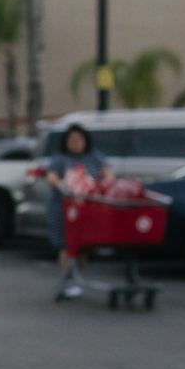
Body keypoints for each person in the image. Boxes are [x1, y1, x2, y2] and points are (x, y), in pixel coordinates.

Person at [45, 124, 114, 297]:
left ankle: (76, 278)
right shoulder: (59, 158)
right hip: (64, 209)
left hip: (87, 209)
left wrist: (105, 184)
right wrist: (60, 184)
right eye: (71, 140)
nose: (75, 143)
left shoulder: (94, 157)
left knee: (82, 247)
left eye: (79, 139)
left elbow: (107, 173)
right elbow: (51, 176)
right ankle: (67, 281)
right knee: (66, 246)